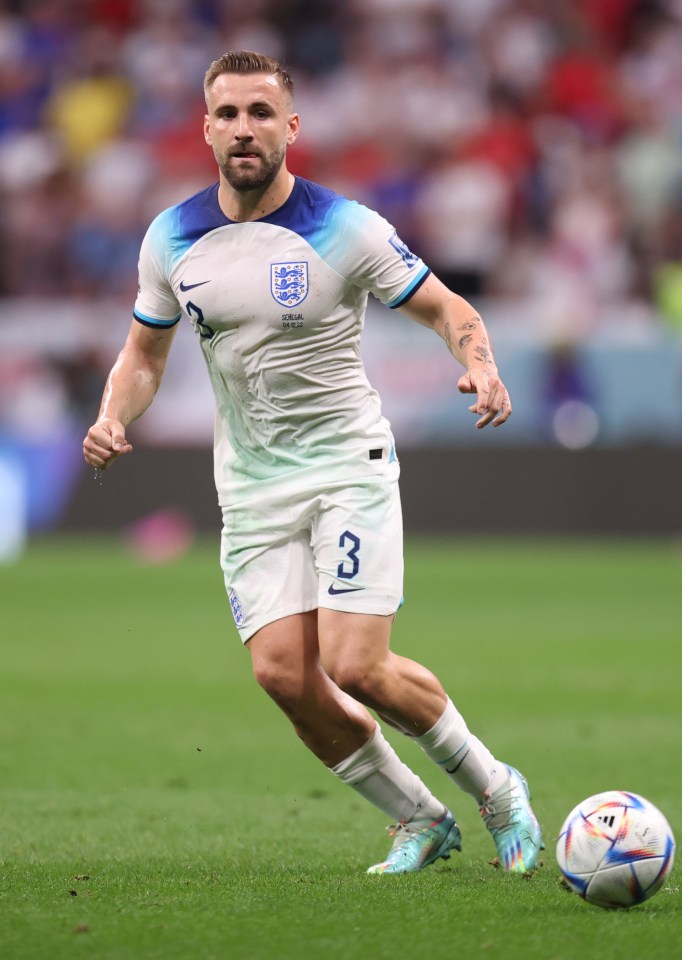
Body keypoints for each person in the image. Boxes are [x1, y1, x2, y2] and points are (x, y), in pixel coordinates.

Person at [83, 51, 543, 876]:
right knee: (284, 678)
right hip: (252, 486)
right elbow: (143, 356)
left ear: (292, 127)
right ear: (206, 128)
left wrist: (480, 361)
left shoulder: (346, 228)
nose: (244, 129)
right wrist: (113, 416)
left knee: (354, 663)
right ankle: (420, 820)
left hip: (346, 467)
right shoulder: (173, 237)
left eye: (261, 112)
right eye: (227, 114)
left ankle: (497, 788)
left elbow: (447, 308)